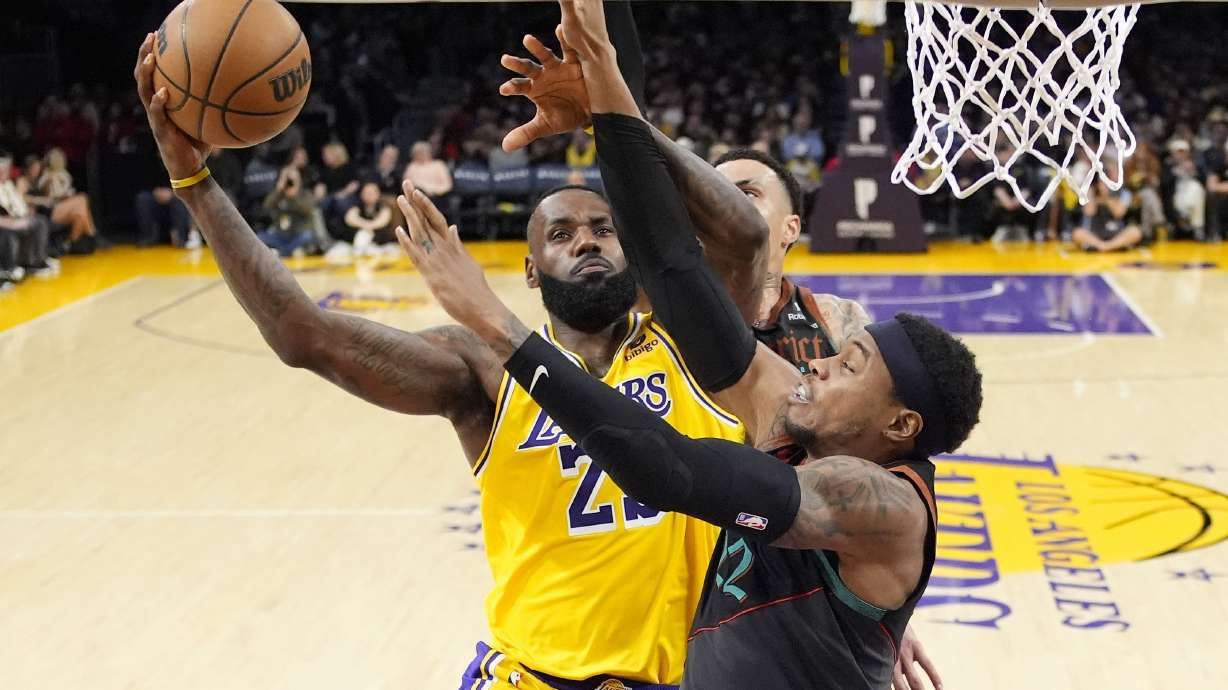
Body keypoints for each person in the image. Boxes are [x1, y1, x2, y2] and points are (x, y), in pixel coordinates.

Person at [134, 22, 772, 689]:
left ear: (632, 251)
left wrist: (610, 115)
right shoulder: (486, 371)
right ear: (531, 269)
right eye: (561, 233)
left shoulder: (696, 353)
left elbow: (747, 240)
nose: (586, 242)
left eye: (603, 229)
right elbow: (304, 334)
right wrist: (196, 182)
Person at [480, 3, 981, 688]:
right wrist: (605, 87)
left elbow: (671, 470)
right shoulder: (789, 401)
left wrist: (504, 335)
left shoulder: (870, 493)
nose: (823, 361)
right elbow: (669, 260)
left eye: (850, 362)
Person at [28, 147, 99, 253]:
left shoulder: (64, 175)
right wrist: (54, 184)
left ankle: (70, 242)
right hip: (52, 209)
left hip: (64, 206)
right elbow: (49, 196)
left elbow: (67, 190)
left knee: (79, 214)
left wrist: (67, 193)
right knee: (82, 198)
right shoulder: (46, 176)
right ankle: (91, 233)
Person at [0, 149, 55, 283]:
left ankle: (35, 261)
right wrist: (13, 222)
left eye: (6, 169)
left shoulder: (7, 185)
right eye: (2, 170)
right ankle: (9, 270)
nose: (5, 172)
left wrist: (23, 216)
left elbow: (18, 205)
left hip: (16, 219)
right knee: (7, 232)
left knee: (40, 221)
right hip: (6, 223)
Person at [258, 164, 317, 257]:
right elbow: (266, 207)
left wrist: (294, 196)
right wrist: (278, 190)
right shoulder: (278, 195)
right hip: (280, 234)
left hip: (298, 234)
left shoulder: (305, 194)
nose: (289, 181)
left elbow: (308, 210)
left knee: (308, 237)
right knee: (260, 237)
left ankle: (283, 251)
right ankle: (290, 251)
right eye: (286, 177)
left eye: (292, 178)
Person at [1072, 180, 1145, 252]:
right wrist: (1092, 192)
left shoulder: (1122, 192)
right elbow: (1089, 211)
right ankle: (1105, 246)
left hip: (1116, 235)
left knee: (1135, 231)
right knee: (1077, 233)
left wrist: (1105, 197)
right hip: (1096, 235)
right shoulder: (1091, 191)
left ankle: (1106, 247)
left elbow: (1119, 213)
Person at [338, 181, 393, 257]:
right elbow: (349, 218)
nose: (369, 196)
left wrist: (370, 226)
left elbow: (383, 221)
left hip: (380, 243)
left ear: (377, 194)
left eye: (371, 193)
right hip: (357, 243)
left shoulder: (383, 207)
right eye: (366, 193)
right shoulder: (357, 206)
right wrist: (365, 225)